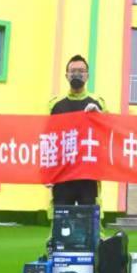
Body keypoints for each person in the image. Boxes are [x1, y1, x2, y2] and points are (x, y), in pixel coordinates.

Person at [48, 54, 105, 207]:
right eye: (73, 71)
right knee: (61, 218)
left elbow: (109, 133)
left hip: (88, 176)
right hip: (62, 175)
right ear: (66, 75)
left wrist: (99, 116)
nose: (77, 74)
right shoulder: (55, 105)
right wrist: (46, 173)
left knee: (87, 218)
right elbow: (46, 138)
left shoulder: (98, 103)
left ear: (87, 75)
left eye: (81, 71)